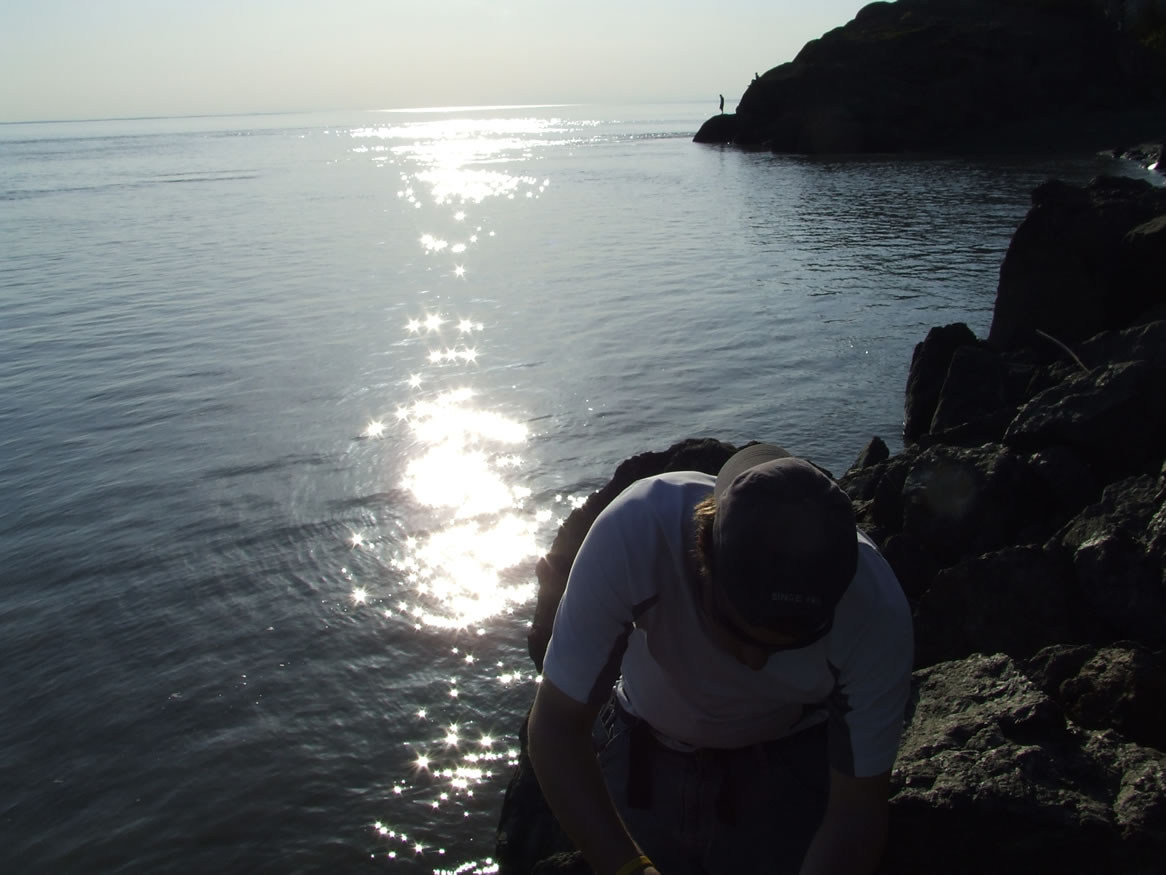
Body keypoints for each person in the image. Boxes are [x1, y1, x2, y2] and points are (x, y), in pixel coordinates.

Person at [527, 444, 914, 875]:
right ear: (701, 556)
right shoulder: (638, 532)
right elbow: (556, 726)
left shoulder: (875, 609)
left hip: (787, 760)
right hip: (644, 752)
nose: (753, 663)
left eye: (788, 644)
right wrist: (629, 867)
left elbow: (857, 809)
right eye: (735, 630)